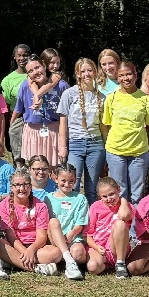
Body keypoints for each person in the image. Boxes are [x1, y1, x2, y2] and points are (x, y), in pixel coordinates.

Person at [102, 61, 149, 203]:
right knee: (119, 191)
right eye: (121, 75)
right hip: (115, 151)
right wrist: (111, 143)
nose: (125, 78)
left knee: (137, 192)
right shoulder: (111, 98)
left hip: (139, 152)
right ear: (117, 78)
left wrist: (139, 138)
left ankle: (136, 217)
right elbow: (106, 125)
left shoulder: (145, 99)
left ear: (136, 75)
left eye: (129, 74)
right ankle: (121, 216)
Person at [0, 170, 62, 279]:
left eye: (26, 184)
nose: (22, 188)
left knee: (56, 253)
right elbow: (10, 236)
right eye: (17, 185)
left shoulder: (40, 205)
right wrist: (25, 252)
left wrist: (31, 250)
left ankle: (14, 262)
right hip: (15, 245)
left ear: (30, 187)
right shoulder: (3, 205)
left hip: (36, 247)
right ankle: (36, 268)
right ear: (11, 188)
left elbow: (42, 237)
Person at [57, 57, 106, 202]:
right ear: (77, 74)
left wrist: (107, 148)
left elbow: (104, 126)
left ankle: (91, 214)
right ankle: (73, 213)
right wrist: (62, 147)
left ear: (95, 72)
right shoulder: (69, 94)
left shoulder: (102, 97)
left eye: (90, 70)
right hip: (75, 144)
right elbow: (63, 123)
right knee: (73, 184)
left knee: (92, 187)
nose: (86, 74)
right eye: (83, 71)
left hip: (96, 144)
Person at [12, 54, 67, 166]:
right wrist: (11, 124)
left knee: (54, 167)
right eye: (30, 71)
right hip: (33, 132)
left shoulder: (61, 86)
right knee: (35, 168)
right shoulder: (25, 86)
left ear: (44, 66)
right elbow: (18, 108)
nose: (35, 72)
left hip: (54, 131)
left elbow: (67, 114)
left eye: (37, 67)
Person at [85, 176, 144, 278]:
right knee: (92, 267)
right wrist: (96, 247)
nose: (109, 199)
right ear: (99, 196)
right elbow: (88, 234)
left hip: (117, 248)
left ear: (118, 190)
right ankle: (108, 266)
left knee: (120, 223)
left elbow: (124, 216)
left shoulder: (126, 206)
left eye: (112, 194)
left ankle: (120, 263)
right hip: (100, 247)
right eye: (104, 196)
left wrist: (123, 200)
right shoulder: (95, 206)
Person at [44, 165, 89, 280]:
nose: (67, 184)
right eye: (63, 181)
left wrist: (72, 233)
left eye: (71, 181)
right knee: (53, 221)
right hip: (54, 238)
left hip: (73, 238)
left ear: (75, 181)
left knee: (78, 253)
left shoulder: (80, 198)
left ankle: (65, 260)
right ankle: (68, 260)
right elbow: (46, 222)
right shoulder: (48, 198)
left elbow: (81, 222)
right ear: (55, 179)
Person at [1, 44, 32, 158]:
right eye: (19, 55)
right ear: (15, 57)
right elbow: (5, 108)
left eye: (25, 55)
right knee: (18, 157)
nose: (22, 58)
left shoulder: (37, 75)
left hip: (35, 119)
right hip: (17, 119)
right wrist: (6, 131)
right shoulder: (8, 80)